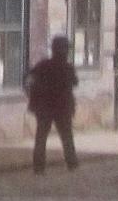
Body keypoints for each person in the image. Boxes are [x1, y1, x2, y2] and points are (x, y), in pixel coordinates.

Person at [24, 35, 79, 175]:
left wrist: (31, 95)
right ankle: (72, 164)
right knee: (66, 136)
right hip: (61, 108)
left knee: (41, 138)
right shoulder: (67, 68)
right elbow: (75, 83)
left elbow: (28, 79)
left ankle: (39, 167)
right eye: (66, 49)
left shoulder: (43, 65)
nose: (66, 52)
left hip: (45, 108)